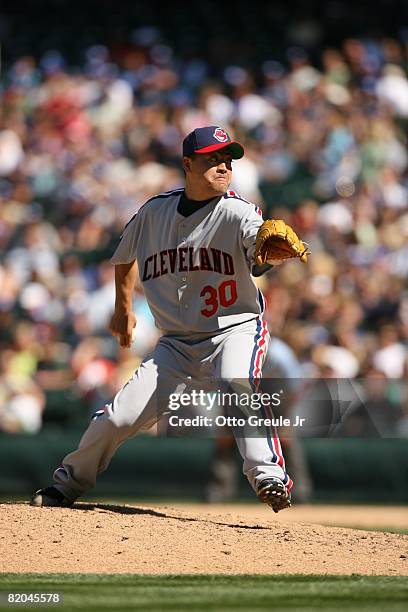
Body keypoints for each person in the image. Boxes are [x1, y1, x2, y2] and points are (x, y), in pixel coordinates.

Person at [31, 126, 304, 513]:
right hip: (175, 343)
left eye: (228, 159)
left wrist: (266, 256)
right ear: (188, 163)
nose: (224, 165)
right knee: (118, 417)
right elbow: (124, 256)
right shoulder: (153, 212)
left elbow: (258, 245)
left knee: (236, 384)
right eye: (213, 158)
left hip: (234, 329)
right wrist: (123, 309)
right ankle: (66, 486)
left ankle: (269, 475)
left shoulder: (239, 211)